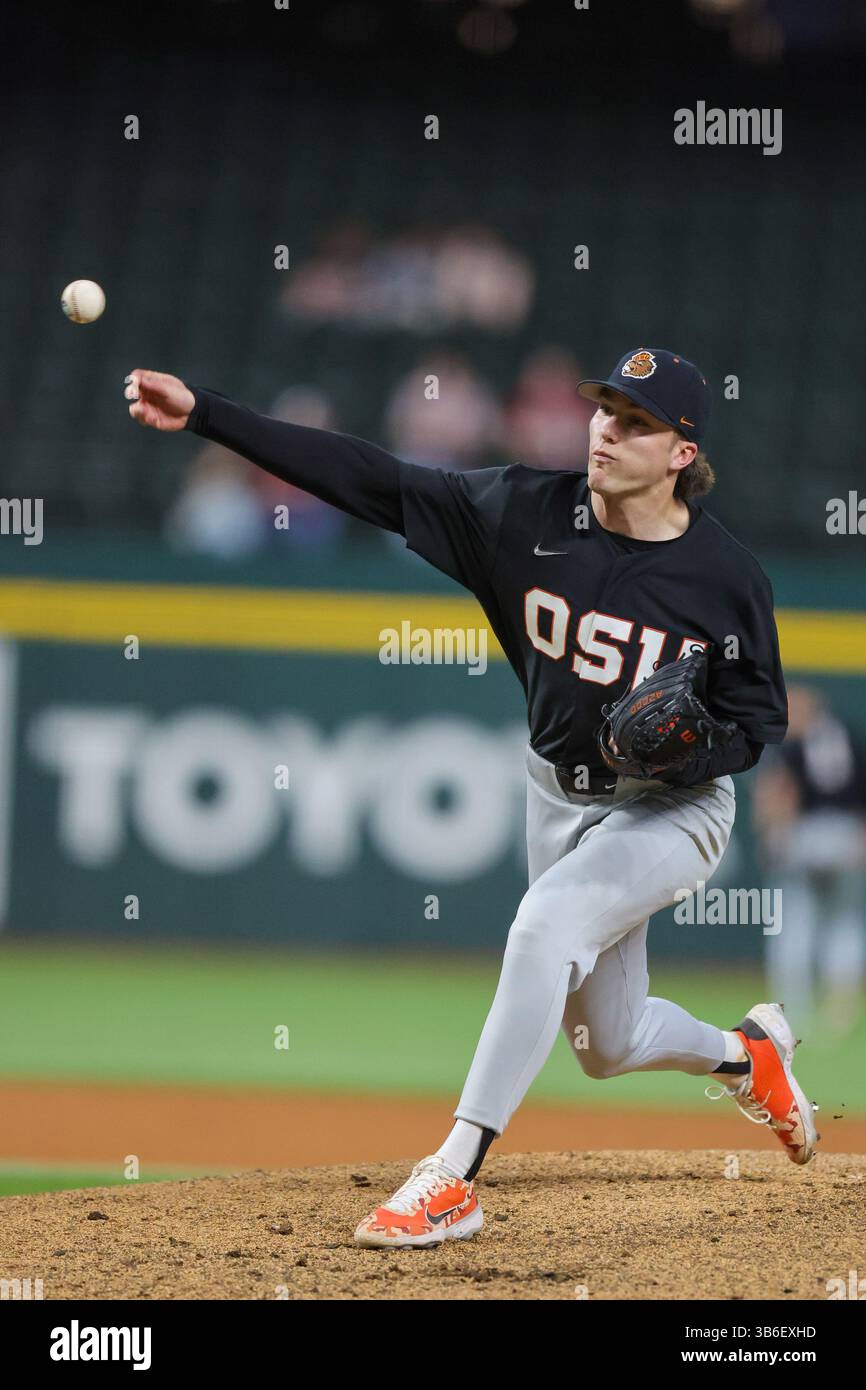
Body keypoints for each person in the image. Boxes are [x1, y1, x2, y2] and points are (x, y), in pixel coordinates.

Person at [123, 346, 818, 1250]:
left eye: (636, 421)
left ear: (683, 452)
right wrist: (209, 414)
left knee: (542, 926)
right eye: (606, 409)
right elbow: (375, 479)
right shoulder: (522, 512)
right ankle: (747, 1054)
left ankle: (450, 1177)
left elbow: (757, 724)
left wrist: (696, 743)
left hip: (674, 809)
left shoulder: (726, 578)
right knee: (604, 1045)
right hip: (557, 794)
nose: (607, 429)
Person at [752, 684, 866, 1035]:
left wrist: (771, 834)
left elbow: (779, 793)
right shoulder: (845, 733)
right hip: (846, 837)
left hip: (803, 837)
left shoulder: (792, 743)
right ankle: (840, 1013)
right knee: (844, 924)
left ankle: (791, 1011)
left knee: (793, 923)